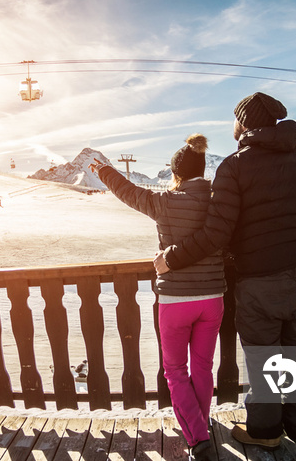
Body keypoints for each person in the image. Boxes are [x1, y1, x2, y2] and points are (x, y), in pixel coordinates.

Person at [154, 92, 296, 450]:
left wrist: (171, 258)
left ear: (245, 123)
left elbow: (217, 233)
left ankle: (265, 433)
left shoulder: (234, 166)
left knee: (263, 356)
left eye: (235, 118)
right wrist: (292, 247)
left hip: (257, 280)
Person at [90, 135, 225, 461]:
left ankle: (198, 440)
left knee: (175, 371)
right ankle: (200, 425)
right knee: (203, 368)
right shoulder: (219, 204)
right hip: (213, 299)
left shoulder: (164, 201)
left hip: (176, 300)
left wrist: (106, 172)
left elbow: (130, 193)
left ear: (175, 174)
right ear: (202, 169)